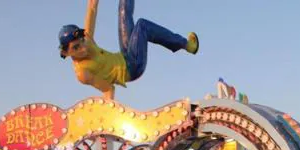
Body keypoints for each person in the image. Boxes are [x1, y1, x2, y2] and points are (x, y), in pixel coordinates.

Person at [59, 0, 199, 99]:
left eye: (82, 41)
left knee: (123, 8)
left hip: (126, 54)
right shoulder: (83, 73)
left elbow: (92, 7)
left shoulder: (87, 41)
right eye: (76, 48)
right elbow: (108, 90)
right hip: (132, 68)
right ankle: (186, 45)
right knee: (142, 25)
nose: (84, 48)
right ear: (66, 52)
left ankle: (187, 46)